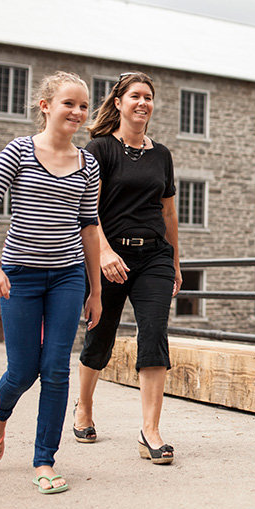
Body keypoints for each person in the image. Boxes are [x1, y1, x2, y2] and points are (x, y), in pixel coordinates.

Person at [0, 71, 102, 494]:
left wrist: (95, 290)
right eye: (69, 103)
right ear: (45, 106)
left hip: (67, 278)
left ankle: (45, 459)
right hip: (20, 277)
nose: (78, 112)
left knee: (56, 369)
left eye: (83, 106)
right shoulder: (19, 151)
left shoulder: (89, 164)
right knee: (23, 368)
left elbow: (88, 228)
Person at [73, 71, 181, 465]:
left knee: (154, 335)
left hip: (153, 256)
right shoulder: (99, 149)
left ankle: (150, 432)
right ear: (118, 102)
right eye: (135, 95)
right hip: (110, 255)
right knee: (100, 336)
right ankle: (83, 408)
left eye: (148, 97)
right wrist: (102, 252)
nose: (143, 103)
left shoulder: (162, 155)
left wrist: (174, 260)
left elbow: (168, 212)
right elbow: (88, 210)